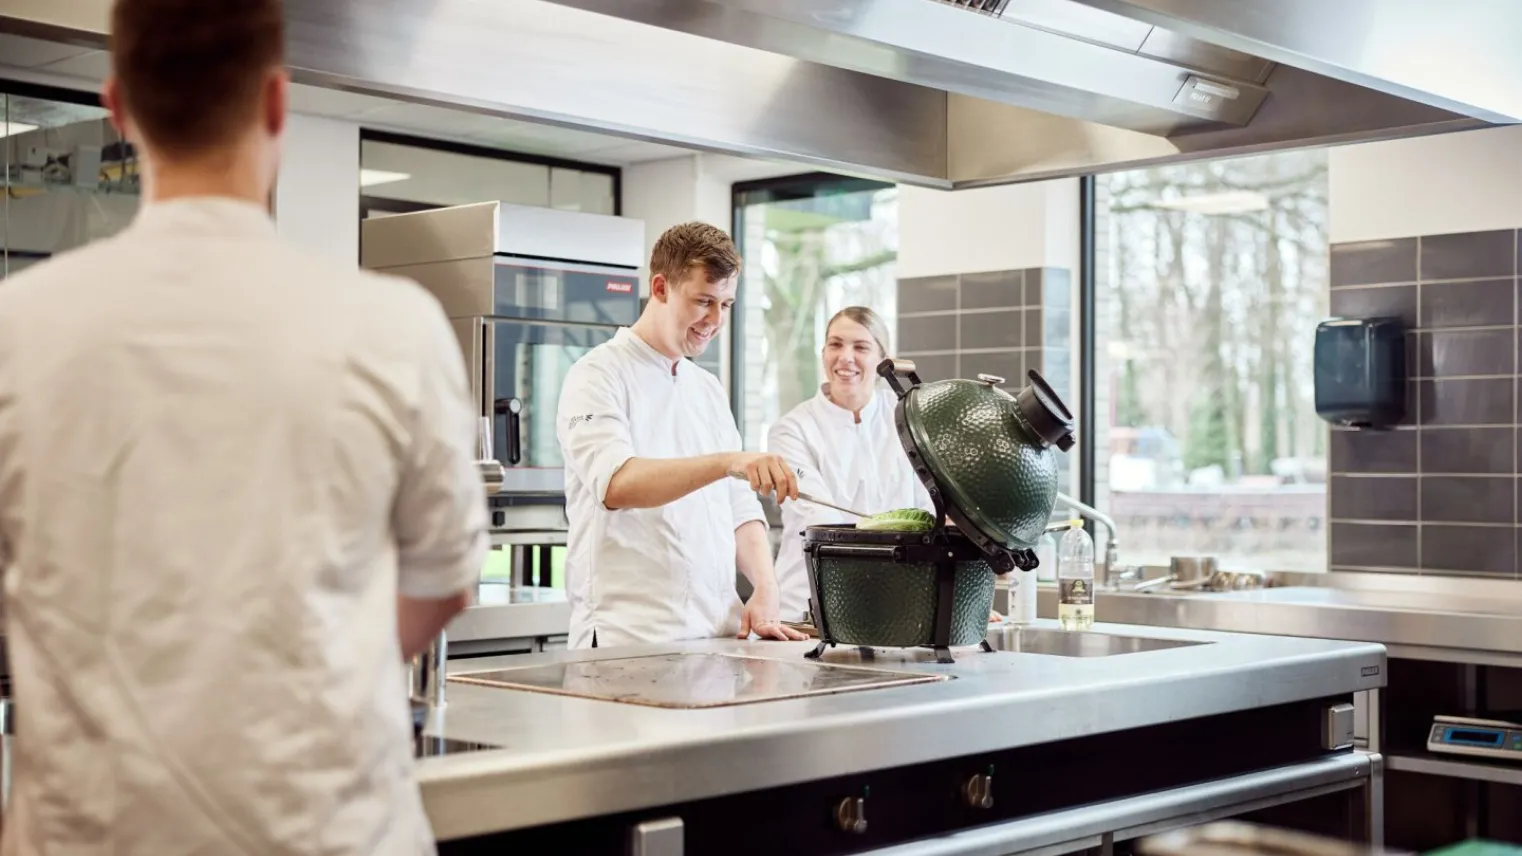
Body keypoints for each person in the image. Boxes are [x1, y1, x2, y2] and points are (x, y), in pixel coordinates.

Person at [0, 1, 488, 853]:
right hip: (328, 828)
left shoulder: (16, 327)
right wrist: (315, 666)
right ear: (276, 102)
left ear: (118, 109)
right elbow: (447, 578)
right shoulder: (392, 326)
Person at [556, 222, 807, 649]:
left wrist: (765, 586)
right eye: (703, 302)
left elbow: (738, 503)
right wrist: (728, 461)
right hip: (629, 638)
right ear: (660, 287)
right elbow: (618, 484)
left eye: (726, 304)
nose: (715, 320)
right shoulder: (597, 375)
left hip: (717, 634)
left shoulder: (705, 388)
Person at [767, 307, 936, 622]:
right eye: (835, 344)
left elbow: (933, 514)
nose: (845, 357)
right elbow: (822, 523)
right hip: (808, 613)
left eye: (860, 347)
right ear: (823, 353)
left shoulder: (909, 419)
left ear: (882, 360)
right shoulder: (793, 430)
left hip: (895, 611)